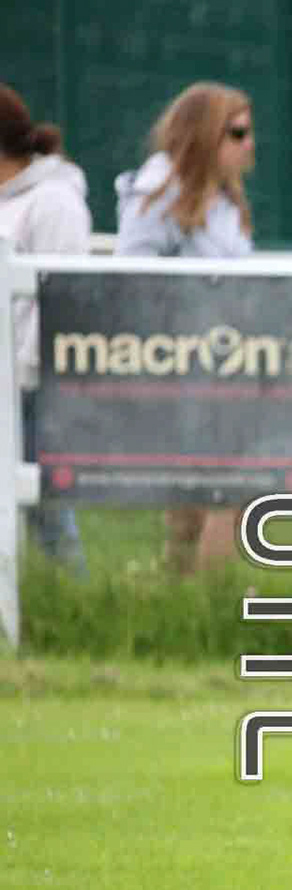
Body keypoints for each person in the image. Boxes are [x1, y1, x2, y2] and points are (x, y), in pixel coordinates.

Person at [114, 82, 257, 573]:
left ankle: (182, 597)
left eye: (249, 133)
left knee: (199, 498)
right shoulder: (159, 194)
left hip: (226, 364)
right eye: (236, 133)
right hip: (177, 367)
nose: (249, 145)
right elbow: (130, 281)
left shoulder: (225, 201)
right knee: (227, 487)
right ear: (203, 134)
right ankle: (217, 601)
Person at [0, 83, 91, 577]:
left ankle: (76, 604)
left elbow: (64, 297)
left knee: (48, 514)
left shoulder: (54, 202)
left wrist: (24, 379)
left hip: (29, 386)